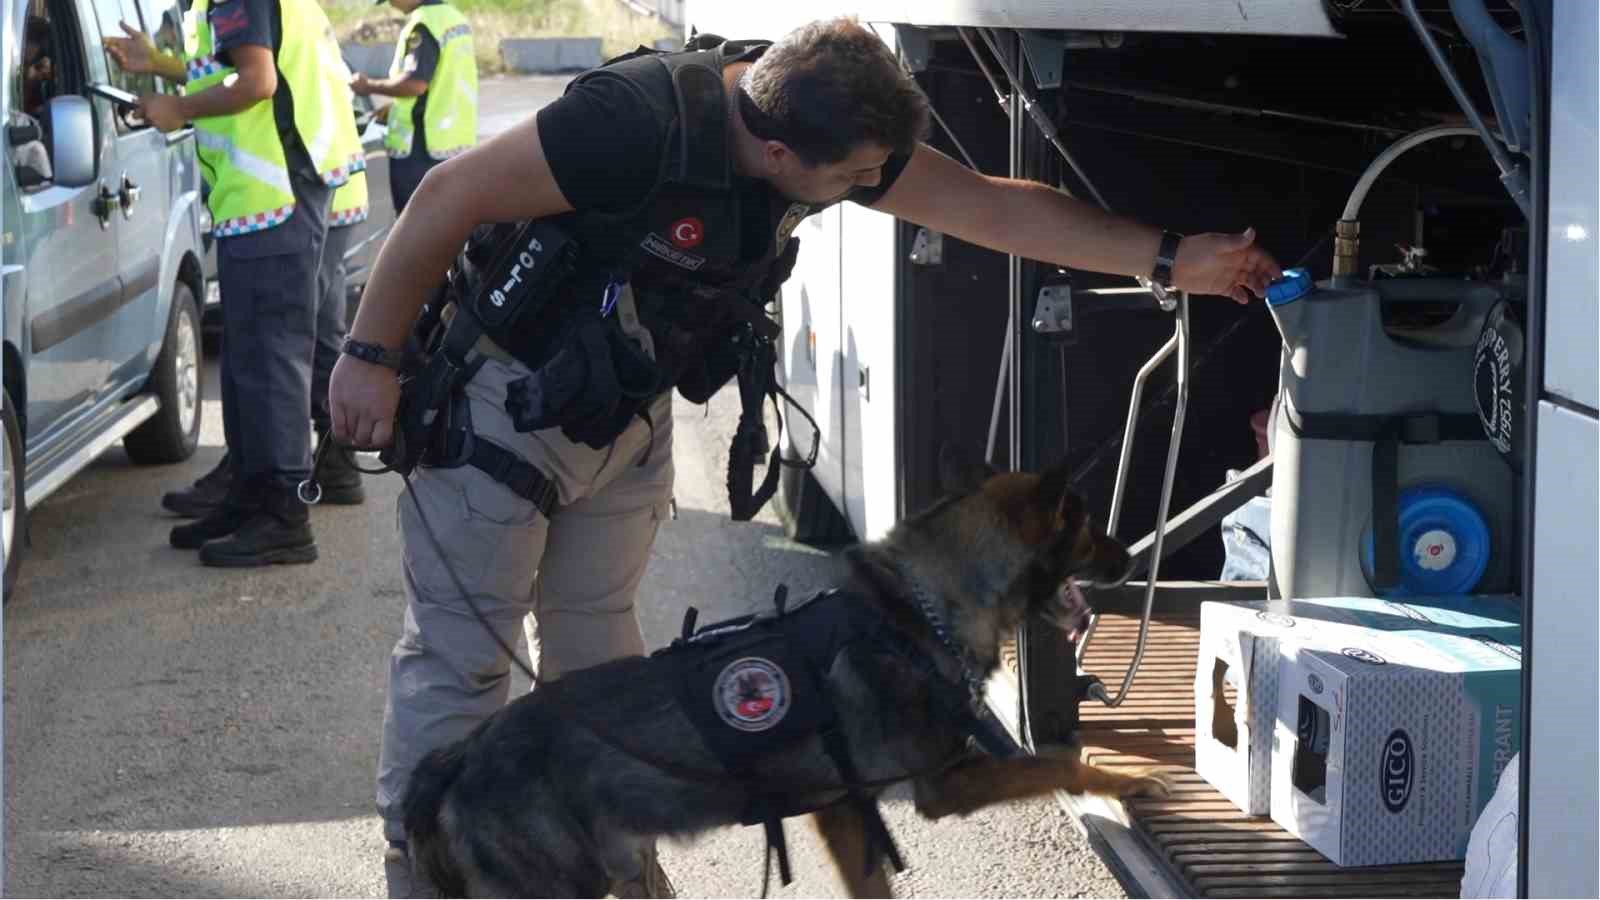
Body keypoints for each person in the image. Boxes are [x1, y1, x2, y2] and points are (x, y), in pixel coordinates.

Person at [328, 18, 1280, 897]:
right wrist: (369, 360)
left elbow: (992, 208)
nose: (873, 188)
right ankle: (424, 875)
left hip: (617, 419)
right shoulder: (628, 123)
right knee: (461, 666)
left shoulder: (823, 133)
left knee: (598, 664)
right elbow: (447, 195)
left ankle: (612, 870)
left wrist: (1169, 259)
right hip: (500, 410)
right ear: (780, 154)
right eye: (858, 178)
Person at [105, 0, 365, 567]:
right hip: (260, 198)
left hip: (275, 195)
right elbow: (232, 66)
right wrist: (165, 67)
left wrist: (178, 107)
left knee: (274, 362)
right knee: (251, 361)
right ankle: (250, 498)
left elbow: (257, 80)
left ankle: (284, 517)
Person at [351, 0, 477, 215]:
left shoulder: (423, 25)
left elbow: (415, 84)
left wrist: (367, 86)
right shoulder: (455, 20)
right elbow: (442, 82)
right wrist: (397, 106)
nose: (390, 3)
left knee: (416, 226)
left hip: (420, 147)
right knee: (446, 224)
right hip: (454, 141)